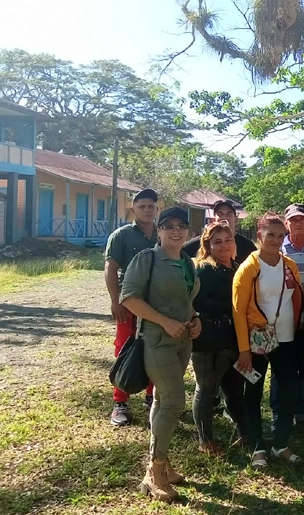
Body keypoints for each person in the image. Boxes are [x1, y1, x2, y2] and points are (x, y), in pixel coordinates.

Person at [120, 206, 201, 502]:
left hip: (183, 342)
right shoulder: (147, 259)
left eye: (182, 226)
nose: (176, 231)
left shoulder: (187, 262)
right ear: (159, 230)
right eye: (169, 226)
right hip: (157, 341)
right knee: (173, 403)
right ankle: (155, 471)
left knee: (162, 401)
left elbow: (188, 299)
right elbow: (128, 297)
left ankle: (162, 463)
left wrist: (196, 319)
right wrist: (164, 321)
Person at [232, 213, 304, 469]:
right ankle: (257, 446)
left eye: (280, 235)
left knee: (289, 391)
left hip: (286, 339)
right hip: (256, 342)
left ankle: (280, 442)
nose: (275, 239)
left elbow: (297, 298)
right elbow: (239, 312)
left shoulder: (289, 265)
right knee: (252, 393)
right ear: (259, 236)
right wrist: (244, 350)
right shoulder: (248, 269)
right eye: (270, 234)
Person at [191, 222, 246, 456]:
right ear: (208, 245)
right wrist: (235, 307)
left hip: (233, 339)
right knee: (206, 389)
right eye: (217, 241)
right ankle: (205, 440)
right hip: (209, 340)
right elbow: (198, 302)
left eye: (227, 240)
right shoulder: (204, 269)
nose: (223, 245)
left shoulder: (237, 268)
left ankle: (244, 431)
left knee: (234, 389)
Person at [105, 188, 158, 426]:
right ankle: (120, 403)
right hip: (129, 301)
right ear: (133, 209)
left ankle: (152, 398)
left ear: (157, 210)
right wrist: (115, 301)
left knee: (155, 349)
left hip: (157, 302)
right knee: (124, 349)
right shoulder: (122, 235)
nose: (147, 210)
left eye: (151, 206)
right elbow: (110, 269)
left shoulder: (164, 232)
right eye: (142, 206)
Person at [273, 203, 304, 433]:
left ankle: (302, 414)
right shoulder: (277, 248)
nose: (297, 223)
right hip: (283, 319)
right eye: (293, 220)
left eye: (301, 219)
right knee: (281, 369)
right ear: (286, 223)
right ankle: (279, 413)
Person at [182, 199, 257, 263]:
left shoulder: (247, 246)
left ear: (236, 220)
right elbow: (179, 254)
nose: (224, 217)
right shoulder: (203, 241)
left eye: (229, 214)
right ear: (214, 219)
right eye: (220, 214)